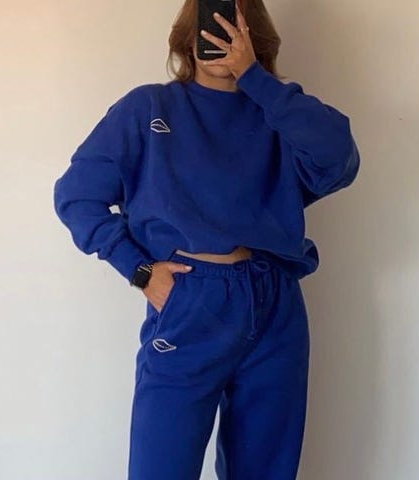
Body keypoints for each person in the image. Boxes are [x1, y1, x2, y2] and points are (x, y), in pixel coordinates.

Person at [53, 1, 360, 478]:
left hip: (274, 300)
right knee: (161, 467)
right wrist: (139, 269)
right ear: (187, 36)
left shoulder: (278, 114)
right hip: (190, 297)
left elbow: (339, 159)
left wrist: (255, 78)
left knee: (265, 469)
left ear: (254, 36)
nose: (219, 38)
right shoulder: (148, 109)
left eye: (232, 27)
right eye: (208, 26)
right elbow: (76, 196)